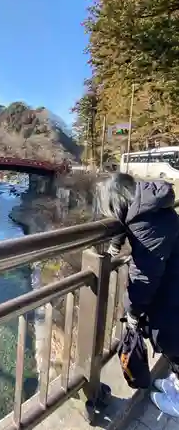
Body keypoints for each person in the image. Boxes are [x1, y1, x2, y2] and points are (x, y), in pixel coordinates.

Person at [96, 173, 179, 417]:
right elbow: (129, 219)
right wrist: (118, 240)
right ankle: (175, 382)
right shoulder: (149, 204)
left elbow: (145, 277)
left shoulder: (146, 225)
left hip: (171, 289)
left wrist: (133, 311)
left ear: (116, 203)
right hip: (172, 280)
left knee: (173, 342)